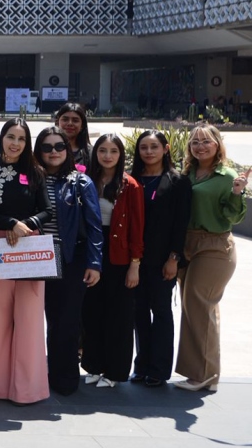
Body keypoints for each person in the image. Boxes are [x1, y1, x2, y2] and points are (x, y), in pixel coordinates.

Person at [0, 118, 51, 405]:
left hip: (31, 247)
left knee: (30, 318)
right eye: (11, 137)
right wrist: (10, 223)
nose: (15, 143)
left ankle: (28, 388)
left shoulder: (36, 173)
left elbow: (46, 210)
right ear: (2, 138)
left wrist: (26, 224)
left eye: (21, 139)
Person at [175, 123, 248, 391]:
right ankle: (201, 372)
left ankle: (205, 373)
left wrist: (238, 192)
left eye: (206, 141)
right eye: (195, 142)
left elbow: (233, 217)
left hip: (214, 246)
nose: (200, 146)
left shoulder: (227, 176)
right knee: (192, 307)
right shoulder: (188, 173)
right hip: (187, 243)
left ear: (217, 145)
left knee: (199, 304)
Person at [34, 126, 103, 396]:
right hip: (34, 258)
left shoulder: (80, 182)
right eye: (47, 147)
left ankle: (64, 377)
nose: (54, 152)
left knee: (66, 322)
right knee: (34, 320)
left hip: (70, 259)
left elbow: (94, 226)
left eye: (59, 146)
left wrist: (94, 263)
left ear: (67, 149)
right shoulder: (31, 179)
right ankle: (33, 374)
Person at [80, 133, 144, 388]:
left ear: (121, 155)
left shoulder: (130, 185)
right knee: (92, 311)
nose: (107, 156)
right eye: (102, 150)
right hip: (91, 251)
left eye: (113, 151)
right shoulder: (86, 180)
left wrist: (135, 264)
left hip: (119, 255)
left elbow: (137, 228)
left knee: (118, 315)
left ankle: (115, 372)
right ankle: (93, 366)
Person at [130, 130, 190, 388]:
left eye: (154, 146)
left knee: (162, 311)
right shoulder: (131, 179)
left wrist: (174, 258)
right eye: (144, 147)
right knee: (139, 312)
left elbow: (181, 223)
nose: (149, 152)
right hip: (134, 259)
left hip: (163, 259)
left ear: (165, 149)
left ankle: (159, 369)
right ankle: (142, 365)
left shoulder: (178, 182)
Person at [55, 103, 91, 168]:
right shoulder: (48, 150)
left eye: (75, 120)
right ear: (57, 122)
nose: (70, 123)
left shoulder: (91, 153)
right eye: (65, 119)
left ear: (82, 126)